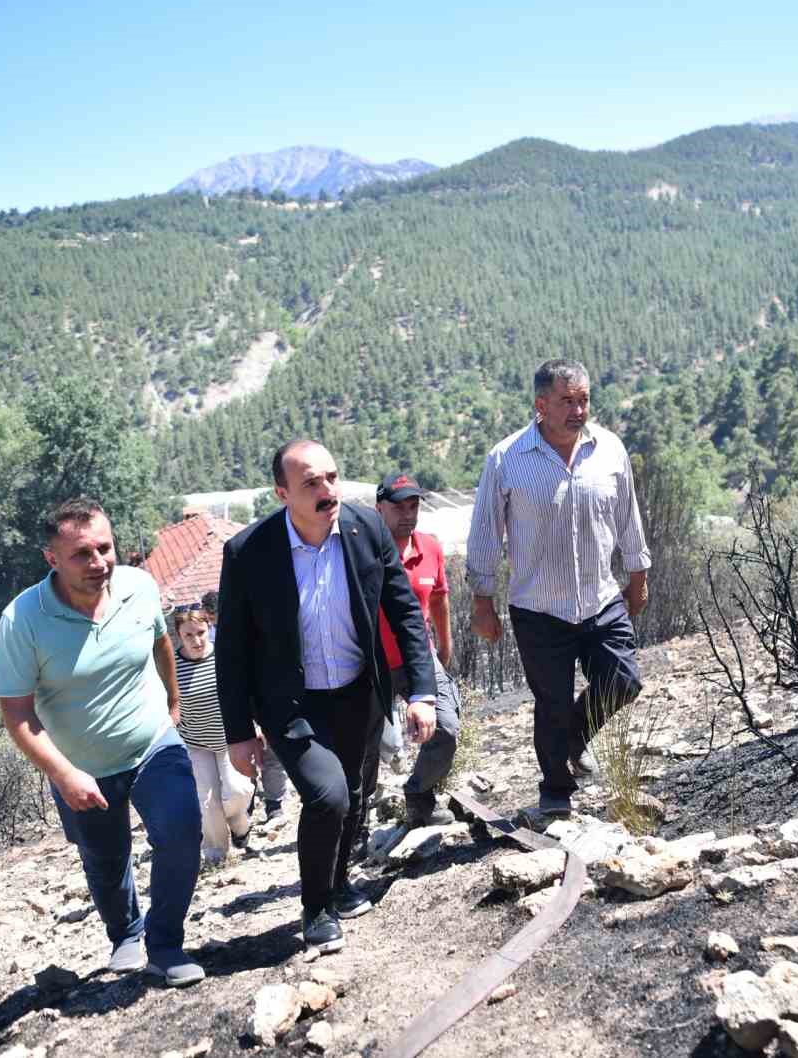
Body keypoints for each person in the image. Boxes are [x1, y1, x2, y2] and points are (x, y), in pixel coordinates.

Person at [215, 440, 438, 955]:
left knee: (354, 797)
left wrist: (420, 691)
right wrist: (239, 734)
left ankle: (337, 885)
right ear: (282, 492)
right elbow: (231, 650)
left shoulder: (367, 531)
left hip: (359, 694)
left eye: (332, 478)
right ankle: (315, 908)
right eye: (311, 483)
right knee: (327, 795)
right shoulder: (249, 552)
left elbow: (404, 612)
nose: (327, 491)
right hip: (291, 705)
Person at [0, 497, 204, 987]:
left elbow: (159, 643)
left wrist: (172, 706)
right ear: (52, 559)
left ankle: (165, 943)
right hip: (80, 765)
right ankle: (125, 932)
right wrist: (64, 774)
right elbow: (16, 714)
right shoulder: (22, 620)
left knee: (181, 832)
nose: (99, 563)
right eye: (82, 554)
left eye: (105, 548)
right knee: (107, 861)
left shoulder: (139, 586)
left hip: (152, 742)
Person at [467, 359, 651, 821]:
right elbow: (486, 531)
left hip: (600, 596)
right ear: (541, 405)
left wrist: (638, 574)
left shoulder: (609, 449)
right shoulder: (507, 458)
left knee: (623, 680)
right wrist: (482, 601)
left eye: (584, 398)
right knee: (551, 700)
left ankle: (574, 738)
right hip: (538, 606)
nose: (578, 409)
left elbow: (628, 516)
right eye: (567, 400)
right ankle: (555, 790)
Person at [364, 473, 462, 829]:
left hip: (417, 658)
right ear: (379, 509)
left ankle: (419, 794)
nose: (408, 514)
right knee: (364, 750)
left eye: (414, 505)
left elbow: (439, 598)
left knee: (447, 727)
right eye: (398, 507)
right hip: (369, 665)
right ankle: (355, 822)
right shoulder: (362, 553)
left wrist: (444, 646)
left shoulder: (430, 547)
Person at [172, 607, 255, 864]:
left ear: (209, 628)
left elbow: (246, 693)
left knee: (238, 791)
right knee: (207, 802)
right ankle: (216, 853)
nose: (196, 641)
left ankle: (240, 827)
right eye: (189, 635)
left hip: (230, 739)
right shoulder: (172, 665)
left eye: (200, 632)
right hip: (195, 743)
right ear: (178, 636)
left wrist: (256, 727)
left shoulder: (223, 657)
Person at [205, 588, 288, 821]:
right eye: (212, 618)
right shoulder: (208, 641)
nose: (215, 622)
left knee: (270, 754)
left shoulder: (251, 628)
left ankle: (274, 803)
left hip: (260, 701)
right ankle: (247, 808)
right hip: (234, 708)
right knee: (243, 760)